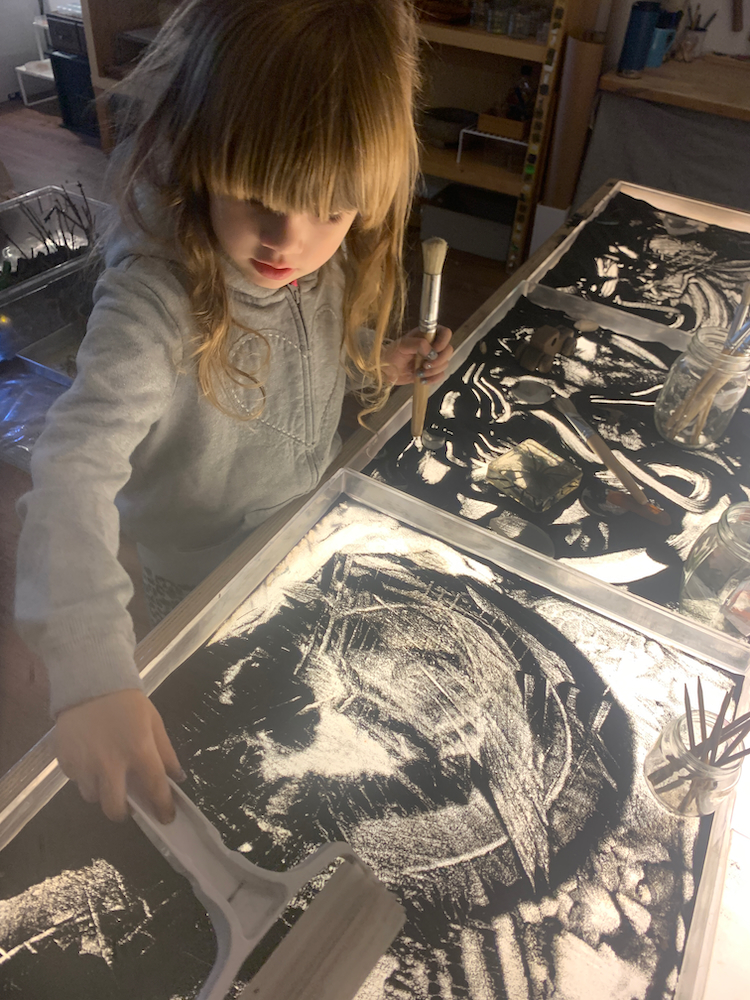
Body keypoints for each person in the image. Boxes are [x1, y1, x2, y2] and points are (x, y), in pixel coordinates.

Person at [14, 0, 453, 825]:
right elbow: (72, 470)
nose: (287, 242)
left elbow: (313, 347)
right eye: (258, 196)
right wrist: (92, 673)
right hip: (201, 568)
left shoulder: (309, 267)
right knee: (231, 741)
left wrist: (377, 360)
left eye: (331, 209)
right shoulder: (155, 300)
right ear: (200, 145)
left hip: (299, 525)